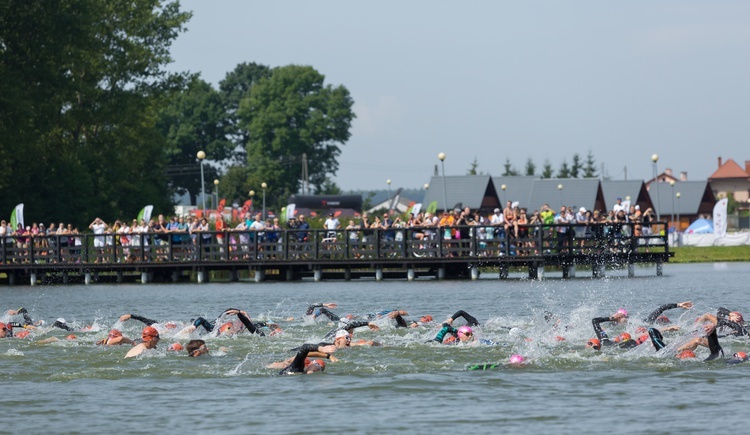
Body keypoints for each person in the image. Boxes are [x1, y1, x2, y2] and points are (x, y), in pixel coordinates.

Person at [269, 343, 338, 375]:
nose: (317, 369)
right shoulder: (297, 368)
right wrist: (322, 349)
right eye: (317, 365)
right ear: (309, 365)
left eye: (320, 369)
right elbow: (305, 347)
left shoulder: (303, 374)